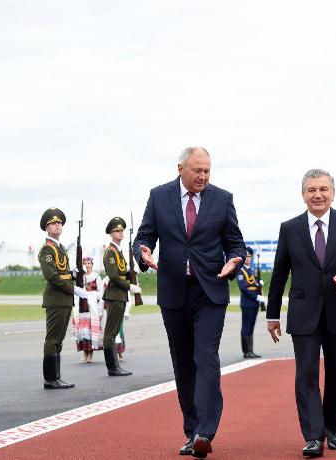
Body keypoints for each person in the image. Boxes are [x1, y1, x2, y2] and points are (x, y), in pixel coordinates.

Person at [133, 147, 246, 459]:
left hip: (210, 291)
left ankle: (205, 433)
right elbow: (144, 236)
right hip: (173, 292)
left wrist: (235, 259)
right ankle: (191, 431)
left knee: (206, 357)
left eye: (208, 170)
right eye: (198, 170)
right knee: (184, 364)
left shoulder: (222, 199)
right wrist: (142, 250)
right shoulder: (159, 196)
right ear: (180, 168)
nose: (204, 176)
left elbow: (236, 243)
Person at [267, 169, 336, 458]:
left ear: (333, 193)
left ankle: (331, 428)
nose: (318, 195)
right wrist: (272, 314)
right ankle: (313, 437)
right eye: (312, 190)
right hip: (304, 313)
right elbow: (279, 273)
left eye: (323, 189)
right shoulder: (289, 228)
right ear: (303, 194)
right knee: (306, 374)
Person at [38, 208, 89, 389]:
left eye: (59, 223)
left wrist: (73, 274)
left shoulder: (59, 248)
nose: (57, 225)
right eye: (53, 223)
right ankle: (50, 378)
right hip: (56, 299)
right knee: (53, 338)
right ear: (47, 227)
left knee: (58, 339)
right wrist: (74, 289)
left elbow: (63, 273)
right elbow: (52, 276)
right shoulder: (47, 249)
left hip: (64, 298)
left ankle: (56, 377)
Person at [102, 217, 140, 377]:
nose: (121, 233)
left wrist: (132, 272)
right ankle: (112, 367)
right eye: (118, 231)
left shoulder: (118, 251)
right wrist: (129, 286)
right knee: (110, 332)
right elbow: (114, 276)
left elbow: (122, 273)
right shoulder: (110, 252)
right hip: (115, 295)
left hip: (120, 295)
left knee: (115, 330)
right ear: (111, 233)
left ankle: (115, 365)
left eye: (122, 230)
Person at [236, 246, 266, 358]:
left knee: (251, 327)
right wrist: (256, 297)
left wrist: (259, 283)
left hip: (254, 303)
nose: (248, 258)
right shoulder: (241, 271)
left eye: (249, 256)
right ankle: (246, 351)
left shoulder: (251, 271)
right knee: (246, 326)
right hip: (248, 302)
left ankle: (251, 350)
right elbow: (243, 288)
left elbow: (254, 284)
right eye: (246, 256)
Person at [72, 257, 103, 363]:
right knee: (83, 331)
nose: (87, 265)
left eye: (89, 263)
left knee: (90, 331)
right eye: (85, 263)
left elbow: (100, 294)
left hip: (91, 308)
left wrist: (91, 293)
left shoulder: (96, 277)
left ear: (92, 264)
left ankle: (90, 353)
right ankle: (84, 352)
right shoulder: (82, 277)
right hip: (82, 308)